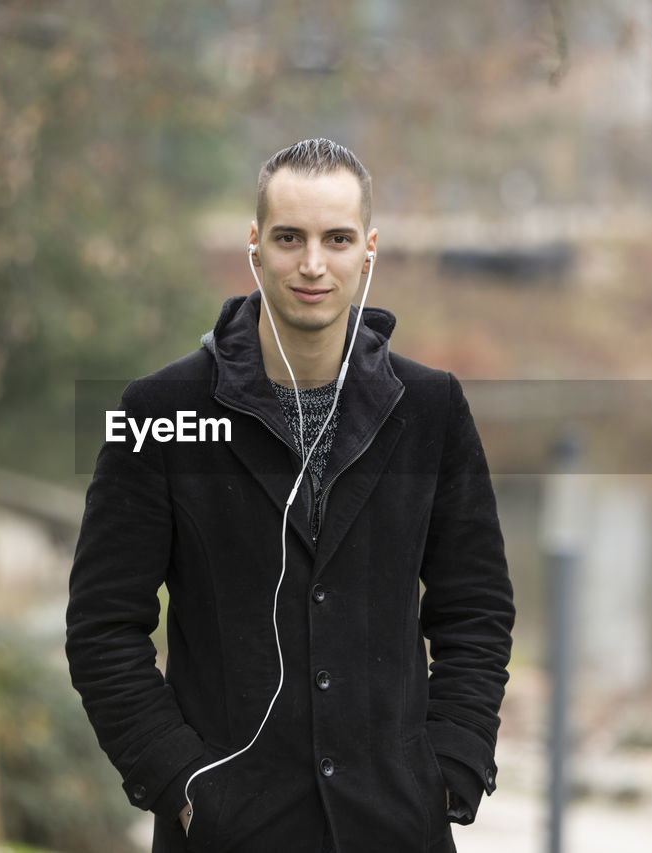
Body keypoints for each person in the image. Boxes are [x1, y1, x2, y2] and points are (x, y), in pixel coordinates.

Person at [65, 138, 514, 853]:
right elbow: (101, 630)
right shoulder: (159, 408)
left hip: (396, 828)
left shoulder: (432, 408)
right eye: (289, 238)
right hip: (225, 832)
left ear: (368, 250)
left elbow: (477, 608)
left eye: (336, 239)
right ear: (254, 246)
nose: (312, 264)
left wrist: (451, 767)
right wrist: (184, 787)